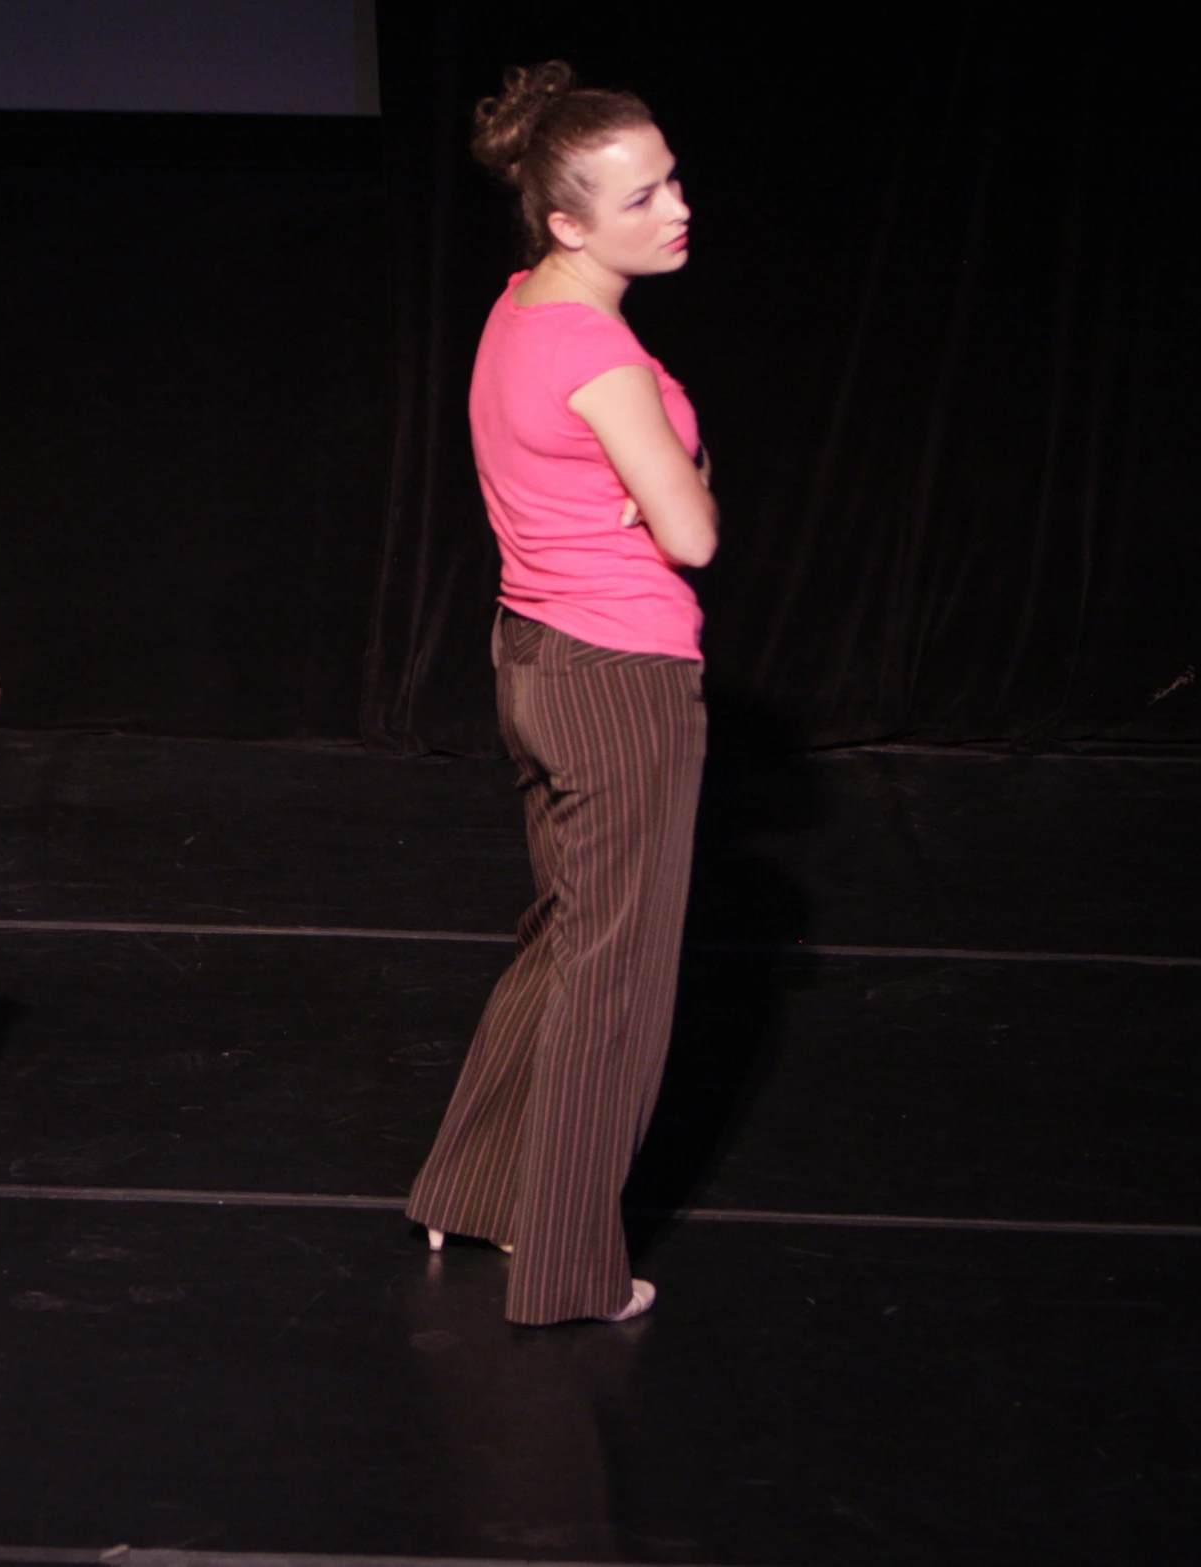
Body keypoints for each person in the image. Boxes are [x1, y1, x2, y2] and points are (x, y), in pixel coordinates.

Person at [405, 60, 715, 1327]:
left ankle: (469, 1189)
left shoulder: (519, 309)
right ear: (567, 222)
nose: (676, 208)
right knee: (615, 977)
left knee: (563, 938)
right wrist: (685, 475)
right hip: (622, 673)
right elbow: (690, 537)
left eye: (673, 179)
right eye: (641, 197)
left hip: (533, 656)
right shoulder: (605, 360)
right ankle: (571, 1265)